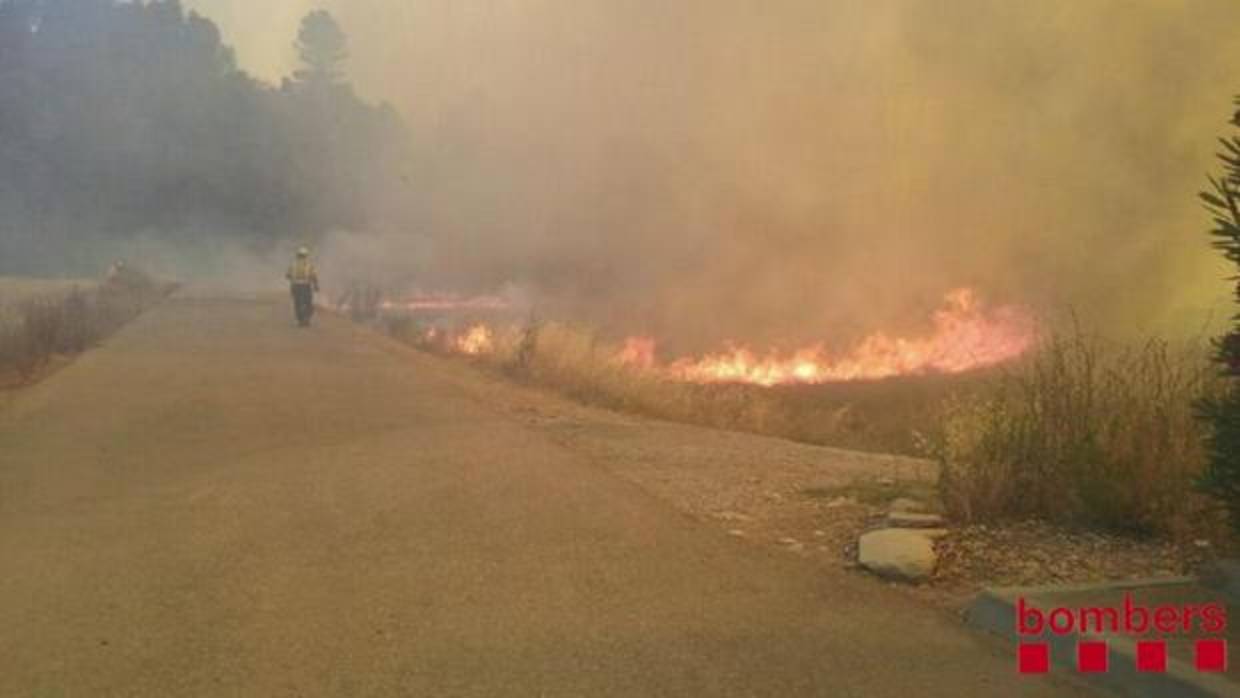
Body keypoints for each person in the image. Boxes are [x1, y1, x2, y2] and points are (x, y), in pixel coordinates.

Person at [286, 247, 320, 327]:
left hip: (295, 286)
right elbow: (314, 276)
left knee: (297, 303)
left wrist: (293, 279)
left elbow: (287, 275)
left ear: (297, 255)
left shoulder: (293, 264)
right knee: (308, 302)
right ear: (306, 255)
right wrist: (316, 286)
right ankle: (307, 318)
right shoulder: (309, 265)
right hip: (306, 286)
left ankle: (300, 320)